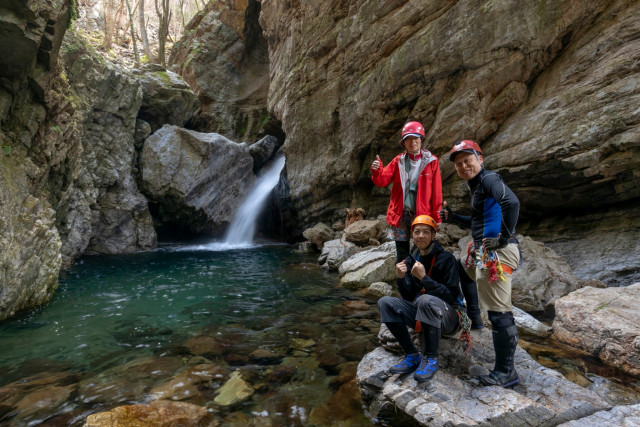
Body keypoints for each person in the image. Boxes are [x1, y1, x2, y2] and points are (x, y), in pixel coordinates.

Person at [442, 140, 521, 387]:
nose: (464, 166)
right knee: (463, 270)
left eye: (468, 160)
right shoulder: (477, 186)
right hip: (484, 251)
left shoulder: (489, 179)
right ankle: (475, 319)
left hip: (496, 254)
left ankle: (506, 373)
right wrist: (453, 217)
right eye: (459, 164)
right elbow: (478, 221)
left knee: (499, 312)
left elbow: (512, 203)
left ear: (480, 159)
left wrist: (503, 238)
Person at [377, 215, 467, 382]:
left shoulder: (447, 259)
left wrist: (424, 279)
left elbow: (451, 296)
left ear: (433, 235)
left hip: (450, 317)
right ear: (412, 235)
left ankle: (430, 357)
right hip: (424, 313)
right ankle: (412, 354)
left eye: (426, 232)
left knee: (425, 300)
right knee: (385, 303)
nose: (421, 236)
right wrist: (400, 278)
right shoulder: (411, 259)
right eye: (417, 232)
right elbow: (408, 296)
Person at [371, 121, 442, 263]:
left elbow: (437, 191)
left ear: (421, 139)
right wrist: (377, 170)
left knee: (421, 250)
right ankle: (403, 276)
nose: (412, 142)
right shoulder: (399, 161)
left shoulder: (431, 161)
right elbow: (382, 180)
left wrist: (437, 216)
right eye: (408, 139)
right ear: (403, 142)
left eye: (416, 138)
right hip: (400, 215)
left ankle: (419, 276)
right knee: (401, 251)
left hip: (421, 215)